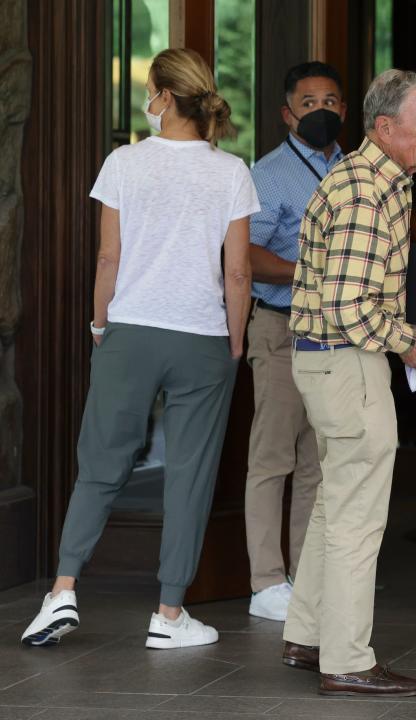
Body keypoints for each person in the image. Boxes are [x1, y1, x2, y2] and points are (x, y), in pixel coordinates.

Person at [21, 48, 258, 649]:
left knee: (100, 464)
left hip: (130, 331)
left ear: (163, 97)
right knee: (190, 475)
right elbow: (238, 275)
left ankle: (62, 591)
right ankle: (169, 615)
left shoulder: (124, 162)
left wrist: (101, 327)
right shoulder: (230, 171)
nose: (146, 102)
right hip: (203, 337)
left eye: (149, 90)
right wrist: (234, 343)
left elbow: (107, 258)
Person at [281, 69, 416, 697]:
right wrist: (409, 339)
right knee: (356, 513)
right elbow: (350, 306)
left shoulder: (380, 181)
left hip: (331, 360)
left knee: (333, 500)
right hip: (346, 360)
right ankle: (346, 659)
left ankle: (308, 635)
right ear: (385, 127)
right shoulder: (365, 190)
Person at [244, 61, 346, 623]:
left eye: (331, 101)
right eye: (309, 103)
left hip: (337, 332)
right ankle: (265, 582)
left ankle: (306, 579)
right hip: (283, 327)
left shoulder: (355, 169)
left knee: (318, 462)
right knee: (272, 457)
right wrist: (309, 269)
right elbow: (246, 255)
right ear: (288, 114)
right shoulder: (269, 173)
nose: (322, 111)